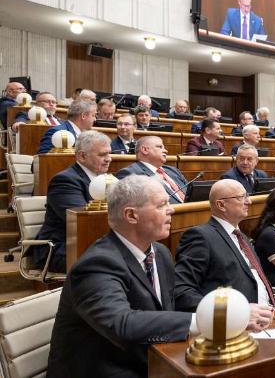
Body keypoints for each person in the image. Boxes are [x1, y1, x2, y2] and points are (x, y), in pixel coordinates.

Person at [47, 176, 199, 377]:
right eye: (162, 205)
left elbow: (169, 304)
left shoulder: (160, 253)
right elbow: (122, 323)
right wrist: (204, 321)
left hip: (147, 360)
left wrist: (226, 311)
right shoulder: (96, 264)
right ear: (131, 215)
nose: (171, 210)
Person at [174, 179, 275, 312]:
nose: (249, 201)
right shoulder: (200, 237)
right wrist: (235, 312)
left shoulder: (241, 237)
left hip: (269, 312)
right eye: (241, 197)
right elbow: (182, 291)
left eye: (247, 196)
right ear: (221, 205)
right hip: (235, 325)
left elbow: (252, 279)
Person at [32, 131, 112, 273]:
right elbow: (83, 222)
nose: (109, 159)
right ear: (82, 156)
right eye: (102, 155)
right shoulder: (65, 180)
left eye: (109, 153)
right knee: (114, 260)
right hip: (61, 248)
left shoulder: (105, 179)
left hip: (92, 242)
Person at [115, 136, 188, 204]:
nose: (166, 151)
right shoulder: (130, 173)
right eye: (160, 147)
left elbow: (190, 192)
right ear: (145, 150)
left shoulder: (173, 170)